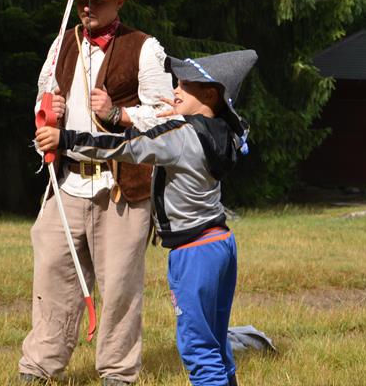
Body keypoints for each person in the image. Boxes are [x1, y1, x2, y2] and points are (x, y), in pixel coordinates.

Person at [35, 50, 258, 386]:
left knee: (198, 349)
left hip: (193, 253)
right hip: (221, 244)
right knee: (216, 344)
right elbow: (222, 121)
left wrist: (64, 140)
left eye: (185, 85)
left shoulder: (179, 137)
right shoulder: (227, 131)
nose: (176, 89)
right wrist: (186, 115)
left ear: (210, 94)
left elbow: (125, 146)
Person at [19, 0, 174, 385]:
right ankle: (38, 367)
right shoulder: (62, 45)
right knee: (52, 275)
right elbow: (41, 102)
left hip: (121, 188)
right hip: (66, 183)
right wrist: (49, 115)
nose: (87, 7)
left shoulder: (145, 48)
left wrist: (118, 113)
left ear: (119, 3)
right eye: (82, 0)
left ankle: (118, 374)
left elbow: (166, 119)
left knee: (121, 286)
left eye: (97, 0)